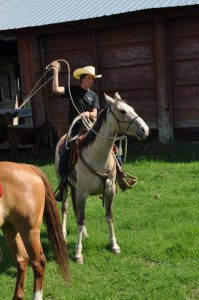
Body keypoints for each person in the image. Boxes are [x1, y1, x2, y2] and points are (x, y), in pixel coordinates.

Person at [51, 61, 102, 200]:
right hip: (76, 129)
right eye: (89, 78)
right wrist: (55, 72)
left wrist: (87, 114)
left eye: (93, 78)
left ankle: (118, 177)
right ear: (83, 78)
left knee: (113, 148)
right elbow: (56, 89)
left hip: (90, 127)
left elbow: (95, 114)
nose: (91, 80)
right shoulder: (73, 90)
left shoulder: (93, 95)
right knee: (65, 152)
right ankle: (62, 186)